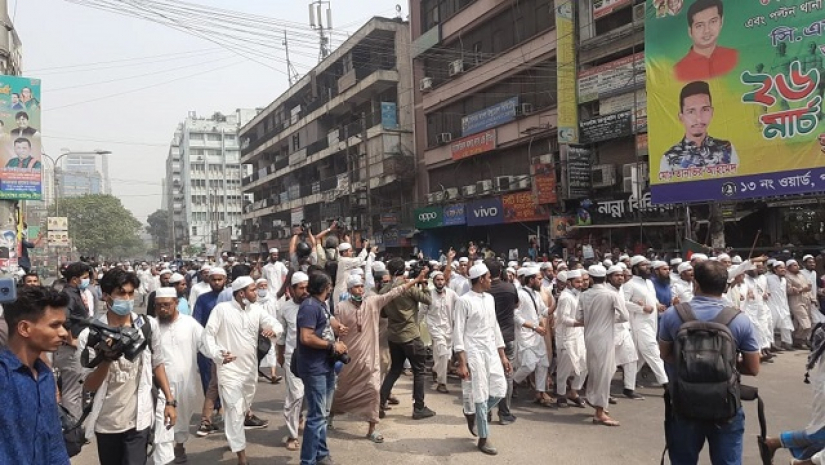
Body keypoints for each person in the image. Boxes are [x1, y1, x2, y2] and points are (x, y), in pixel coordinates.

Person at [658, 260, 760, 465]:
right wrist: (723, 363)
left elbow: (666, 355)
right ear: (725, 286)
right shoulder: (740, 319)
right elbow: (753, 368)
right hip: (725, 404)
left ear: (695, 283)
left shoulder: (673, 315)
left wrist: (691, 362)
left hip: (684, 402)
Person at [80, 268, 177, 465]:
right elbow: (88, 385)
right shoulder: (90, 335)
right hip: (106, 421)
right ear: (106, 296)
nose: (127, 298)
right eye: (121, 293)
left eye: (131, 293)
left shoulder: (147, 326)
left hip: (139, 418)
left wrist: (169, 401)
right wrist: (105, 359)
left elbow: (158, 364)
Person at [331, 270, 427, 443]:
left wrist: (416, 281)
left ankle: (372, 428)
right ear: (350, 289)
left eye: (361, 286)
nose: (360, 290)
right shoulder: (341, 308)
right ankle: (330, 416)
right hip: (351, 359)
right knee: (343, 390)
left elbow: (395, 292)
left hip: (370, 358)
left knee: (374, 391)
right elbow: (334, 328)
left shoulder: (373, 303)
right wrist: (337, 329)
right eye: (356, 287)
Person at [202, 276, 282, 465]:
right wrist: (218, 354)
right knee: (235, 409)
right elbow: (208, 335)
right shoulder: (221, 310)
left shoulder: (256, 310)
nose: (256, 293)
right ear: (241, 293)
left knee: (241, 408)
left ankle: (232, 435)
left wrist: (273, 330)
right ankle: (241, 456)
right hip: (228, 370)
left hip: (249, 371)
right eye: (253, 290)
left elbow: (276, 324)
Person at [0, 286, 70, 465]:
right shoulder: (4, 376)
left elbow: (54, 440)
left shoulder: (45, 376)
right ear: (24, 328)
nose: (63, 332)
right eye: (54, 325)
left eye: (63, 325)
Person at [454, 263, 511, 455]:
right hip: (474, 352)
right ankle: (483, 438)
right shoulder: (464, 301)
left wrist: (502, 356)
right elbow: (458, 333)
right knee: (480, 394)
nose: (490, 280)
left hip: (491, 352)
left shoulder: (490, 299)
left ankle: (471, 412)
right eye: (488, 277)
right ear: (480, 279)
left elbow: (494, 327)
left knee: (500, 388)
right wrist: (462, 362)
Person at [297, 272, 347, 465]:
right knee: (316, 416)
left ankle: (321, 454)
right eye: (330, 286)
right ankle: (307, 460)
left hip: (325, 365)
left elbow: (328, 319)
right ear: (325, 287)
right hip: (314, 367)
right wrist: (332, 346)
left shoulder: (321, 305)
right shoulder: (309, 307)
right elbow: (306, 337)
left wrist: (337, 327)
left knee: (322, 414)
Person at [152, 287, 204, 465]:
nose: (162, 309)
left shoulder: (190, 324)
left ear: (176, 304)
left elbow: (206, 343)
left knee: (183, 416)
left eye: (166, 305)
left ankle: (180, 446)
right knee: (161, 422)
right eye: (159, 306)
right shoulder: (152, 325)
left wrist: (220, 354)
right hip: (159, 384)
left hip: (186, 383)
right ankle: (164, 457)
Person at [378, 257, 435, 419]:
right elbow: (428, 300)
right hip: (410, 334)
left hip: (394, 336)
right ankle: (419, 407)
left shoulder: (384, 290)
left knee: (395, 370)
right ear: (403, 270)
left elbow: (383, 313)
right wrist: (423, 284)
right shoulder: (408, 288)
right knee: (419, 371)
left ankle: (380, 403)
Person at [578, 265, 628, 427]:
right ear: (605, 278)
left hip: (589, 337)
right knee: (604, 374)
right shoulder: (611, 295)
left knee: (596, 371)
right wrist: (609, 320)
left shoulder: (584, 295)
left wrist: (595, 320)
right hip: (604, 338)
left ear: (591, 279)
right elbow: (624, 316)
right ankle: (599, 412)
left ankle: (596, 401)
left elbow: (579, 317)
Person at [659, 81, 738, 175]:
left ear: (712, 112)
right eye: (691, 111)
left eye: (705, 109)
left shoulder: (727, 149)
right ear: (681, 117)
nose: (699, 118)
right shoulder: (669, 159)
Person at [624, 256, 669, 387]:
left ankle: (628, 386)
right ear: (635, 268)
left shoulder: (649, 283)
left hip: (651, 323)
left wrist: (657, 304)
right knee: (653, 352)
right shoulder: (629, 285)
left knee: (639, 357)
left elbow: (652, 299)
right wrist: (641, 308)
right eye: (644, 265)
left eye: (648, 265)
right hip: (639, 324)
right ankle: (666, 384)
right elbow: (623, 302)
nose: (647, 268)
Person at [54, 262, 91, 420]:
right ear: (74, 279)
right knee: (72, 392)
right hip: (71, 350)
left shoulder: (76, 293)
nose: (87, 280)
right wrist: (71, 340)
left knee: (78, 389)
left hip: (79, 345)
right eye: (85, 277)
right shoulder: (69, 295)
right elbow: (64, 318)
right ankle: (72, 429)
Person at [277, 272, 310, 452]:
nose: (305, 291)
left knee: (306, 394)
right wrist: (280, 355)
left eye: (307, 287)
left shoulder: (315, 304)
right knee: (295, 394)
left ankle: (298, 418)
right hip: (292, 357)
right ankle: (292, 435)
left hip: (312, 357)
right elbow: (281, 336)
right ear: (292, 289)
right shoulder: (285, 308)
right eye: (301, 288)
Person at [192, 267, 227, 437]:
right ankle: (213, 411)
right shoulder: (202, 299)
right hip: (207, 347)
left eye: (220, 279)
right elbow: (197, 323)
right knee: (209, 379)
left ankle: (224, 410)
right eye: (214, 279)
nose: (217, 283)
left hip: (228, 346)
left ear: (225, 280)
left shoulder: (229, 297)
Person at [485, 259, 520, 424]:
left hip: (488, 339)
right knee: (507, 375)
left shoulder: (483, 291)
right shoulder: (509, 287)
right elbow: (516, 304)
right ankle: (505, 413)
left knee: (487, 376)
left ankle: (486, 411)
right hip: (507, 338)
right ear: (501, 271)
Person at [512, 266, 553, 406]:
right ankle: (512, 383)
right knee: (529, 366)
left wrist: (557, 303)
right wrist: (535, 327)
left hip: (537, 336)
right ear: (531, 280)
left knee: (543, 364)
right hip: (526, 336)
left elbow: (545, 312)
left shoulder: (536, 295)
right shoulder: (519, 294)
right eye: (539, 279)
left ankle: (540, 394)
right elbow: (516, 317)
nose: (541, 282)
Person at [673, 0, 738, 81]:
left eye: (713, 21)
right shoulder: (678, 70)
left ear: (721, 21)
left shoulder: (734, 56)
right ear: (690, 31)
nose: (707, 30)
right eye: (699, 25)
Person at [420, 270, 458, 395]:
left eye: (442, 280)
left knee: (444, 357)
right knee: (442, 353)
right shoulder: (428, 294)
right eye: (438, 280)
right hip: (434, 328)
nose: (440, 282)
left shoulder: (452, 294)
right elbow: (422, 312)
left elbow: (461, 306)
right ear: (433, 281)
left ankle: (435, 369)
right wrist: (415, 326)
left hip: (449, 329)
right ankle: (442, 383)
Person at [554, 269, 588, 408]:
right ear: (569, 283)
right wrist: (579, 322)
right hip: (566, 338)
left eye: (581, 281)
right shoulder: (566, 297)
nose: (581, 284)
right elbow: (563, 319)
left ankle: (573, 392)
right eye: (577, 282)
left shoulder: (578, 295)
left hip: (578, 336)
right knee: (564, 368)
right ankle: (561, 394)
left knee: (585, 366)